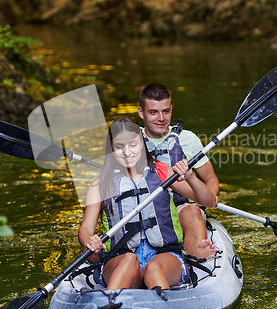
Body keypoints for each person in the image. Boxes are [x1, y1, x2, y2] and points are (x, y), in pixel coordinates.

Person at [78, 117, 217, 291]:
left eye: (133, 145)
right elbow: (85, 230)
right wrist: (90, 241)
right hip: (120, 258)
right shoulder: (100, 185)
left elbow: (209, 201)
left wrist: (190, 177)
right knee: (129, 261)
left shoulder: (162, 172)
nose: (127, 152)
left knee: (154, 268)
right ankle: (109, 307)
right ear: (111, 149)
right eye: (119, 147)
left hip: (164, 256)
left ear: (142, 144)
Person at [138, 83, 220, 259]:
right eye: (153, 112)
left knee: (192, 211)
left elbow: (211, 178)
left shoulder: (188, 139)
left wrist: (205, 200)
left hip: (181, 207)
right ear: (141, 112)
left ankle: (199, 259)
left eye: (165, 111)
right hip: (142, 209)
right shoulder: (129, 141)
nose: (161, 118)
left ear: (171, 109)